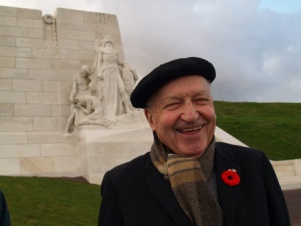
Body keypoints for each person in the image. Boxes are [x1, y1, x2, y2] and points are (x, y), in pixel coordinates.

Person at [98, 57, 291, 226]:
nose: (191, 115)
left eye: (201, 100)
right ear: (151, 119)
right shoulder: (121, 185)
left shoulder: (254, 165)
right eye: (173, 104)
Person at [92, 36, 132, 118]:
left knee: (122, 89)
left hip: (116, 71)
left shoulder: (115, 51)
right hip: (106, 71)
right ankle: (109, 112)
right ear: (104, 42)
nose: (108, 39)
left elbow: (119, 62)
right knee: (108, 92)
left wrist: (127, 67)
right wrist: (99, 72)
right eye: (106, 39)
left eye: (110, 39)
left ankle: (127, 108)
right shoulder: (101, 49)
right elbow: (99, 61)